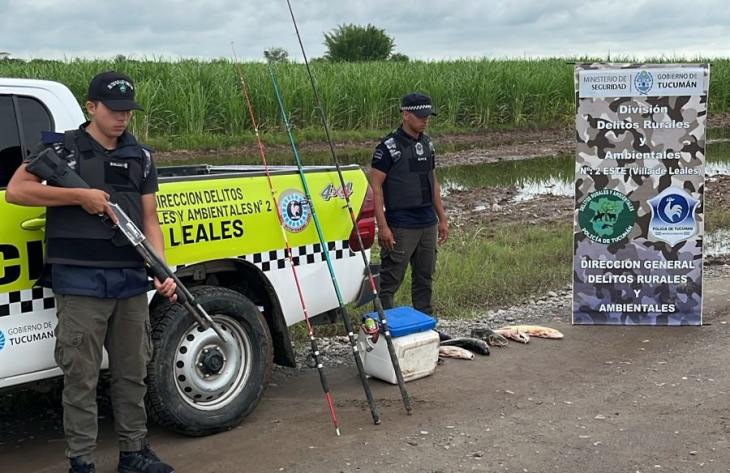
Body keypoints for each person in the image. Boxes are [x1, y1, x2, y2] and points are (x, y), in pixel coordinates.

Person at [6, 71, 176, 473]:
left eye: (128, 111)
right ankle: (81, 461)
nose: (122, 117)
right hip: (80, 282)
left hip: (130, 281)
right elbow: (17, 190)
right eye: (114, 110)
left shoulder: (141, 155)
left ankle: (134, 452)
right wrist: (78, 196)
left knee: (132, 372)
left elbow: (150, 218)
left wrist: (160, 266)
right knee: (80, 377)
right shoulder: (61, 149)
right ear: (92, 107)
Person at [369, 92, 449, 318]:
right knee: (390, 279)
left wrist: (442, 218)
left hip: (427, 222)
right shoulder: (388, 148)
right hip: (401, 224)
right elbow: (375, 189)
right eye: (420, 116)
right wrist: (383, 227)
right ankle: (384, 325)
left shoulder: (427, 143)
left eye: (428, 116)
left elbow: (433, 181)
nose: (425, 120)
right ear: (406, 115)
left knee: (425, 277)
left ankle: (425, 322)